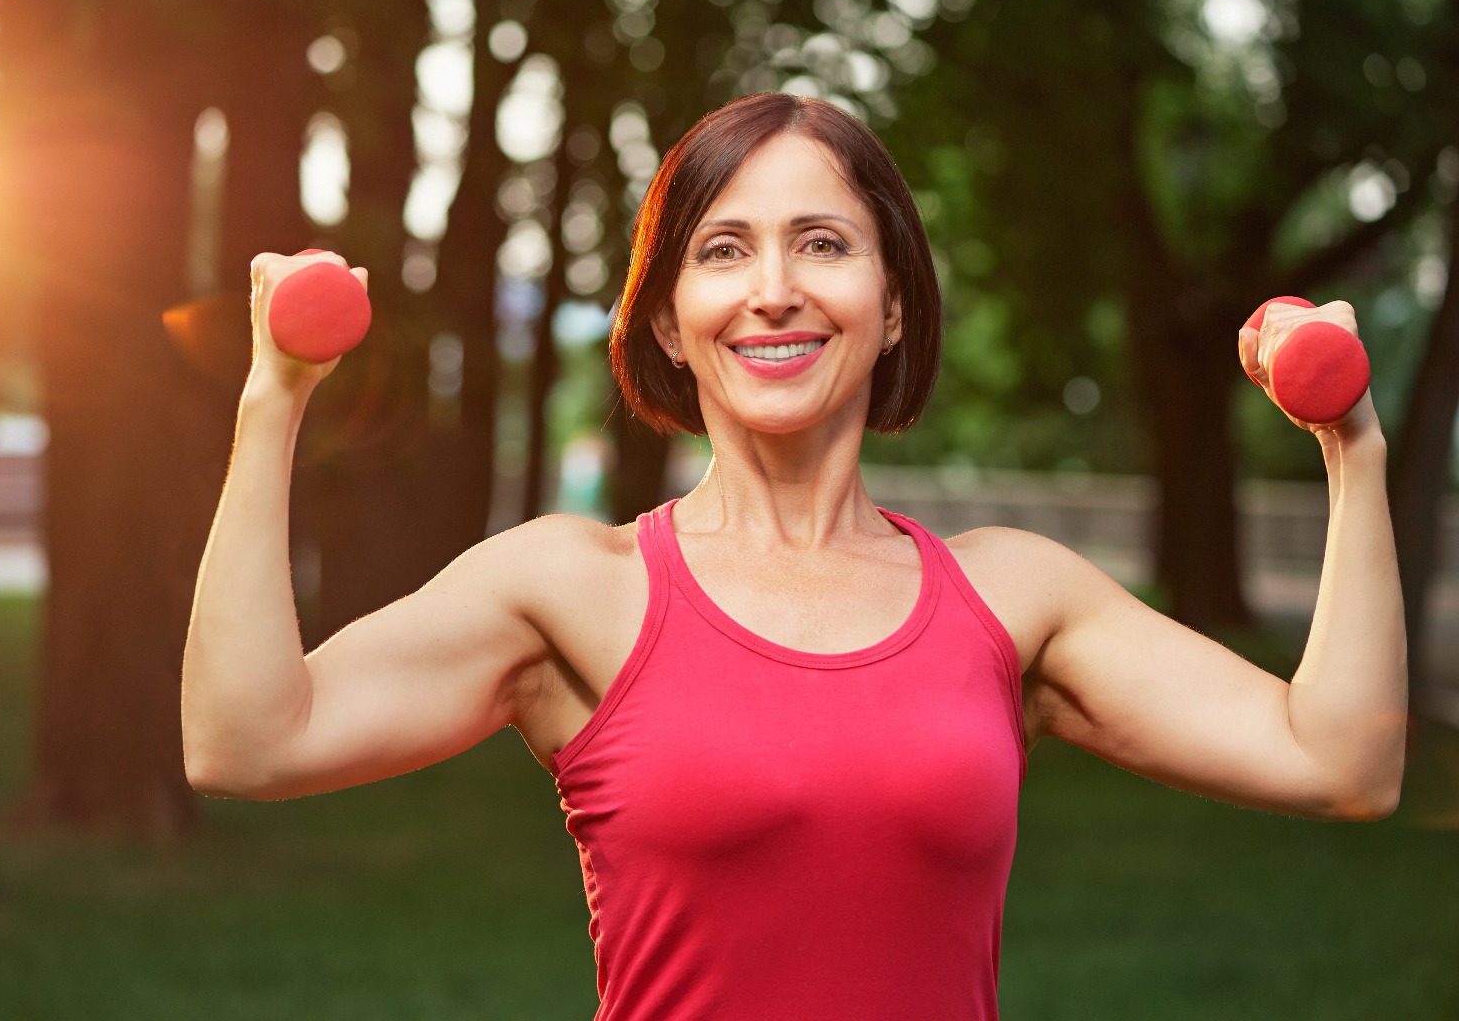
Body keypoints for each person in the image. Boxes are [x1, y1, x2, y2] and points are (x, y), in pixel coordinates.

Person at [180, 92, 1406, 1020]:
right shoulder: (569, 587)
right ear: (668, 318)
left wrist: (1350, 449)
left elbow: (1340, 757)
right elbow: (246, 738)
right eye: (722, 250)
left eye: (823, 244)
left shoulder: (1014, 595)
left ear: (894, 305)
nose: (772, 289)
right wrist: (273, 397)